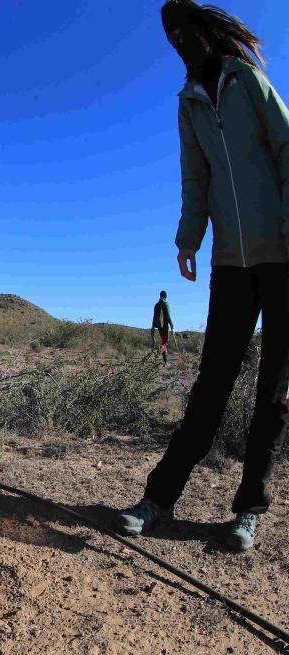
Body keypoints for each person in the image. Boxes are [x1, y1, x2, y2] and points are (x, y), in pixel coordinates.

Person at [115, 1, 289, 551]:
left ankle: (247, 512)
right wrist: (188, 239)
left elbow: (286, 147)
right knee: (212, 383)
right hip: (230, 263)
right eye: (170, 38)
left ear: (207, 32)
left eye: (183, 33)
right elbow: (196, 177)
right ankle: (158, 499)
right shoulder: (188, 104)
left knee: (272, 393)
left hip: (282, 256)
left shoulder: (248, 80)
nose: (178, 44)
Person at [151, 290, 176, 364]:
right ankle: (159, 350)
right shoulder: (166, 304)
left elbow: (154, 316)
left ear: (160, 295)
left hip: (159, 327)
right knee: (165, 343)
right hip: (165, 327)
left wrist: (153, 326)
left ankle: (165, 361)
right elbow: (168, 316)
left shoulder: (156, 305)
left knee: (163, 342)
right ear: (166, 296)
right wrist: (172, 326)